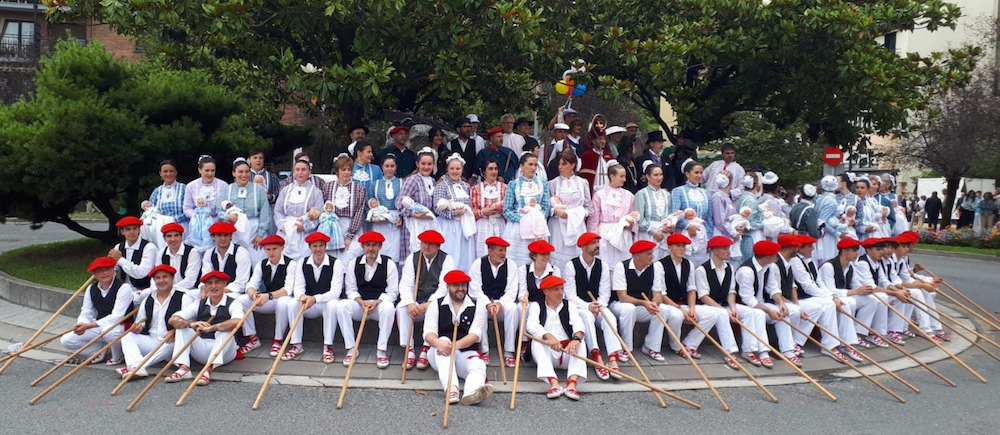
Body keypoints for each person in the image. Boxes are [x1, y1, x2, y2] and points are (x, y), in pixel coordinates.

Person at [658, 233, 737, 361]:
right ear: (669, 247)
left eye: (684, 246)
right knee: (677, 315)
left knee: (712, 314)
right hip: (669, 304)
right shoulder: (660, 265)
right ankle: (677, 346)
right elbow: (661, 294)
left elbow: (691, 289)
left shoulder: (688, 264)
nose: (682, 249)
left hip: (685, 304)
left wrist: (692, 308)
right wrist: (679, 308)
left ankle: (690, 344)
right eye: (678, 246)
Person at [695, 236, 770, 367]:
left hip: (724, 304)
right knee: (723, 314)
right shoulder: (702, 270)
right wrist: (724, 309)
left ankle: (749, 349)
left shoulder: (729, 267)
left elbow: (731, 291)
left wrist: (733, 307)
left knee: (751, 312)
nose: (728, 251)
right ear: (715, 251)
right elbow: (703, 296)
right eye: (724, 249)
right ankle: (730, 352)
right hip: (708, 306)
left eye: (728, 248)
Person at [424, 270, 495, 405]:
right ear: (448, 287)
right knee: (444, 342)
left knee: (478, 365)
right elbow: (429, 333)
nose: (461, 288)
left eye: (463, 285)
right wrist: (439, 343)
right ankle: (451, 389)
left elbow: (475, 335)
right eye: (456, 285)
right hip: (438, 354)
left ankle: (471, 393)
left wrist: (454, 346)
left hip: (465, 352)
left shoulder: (478, 305)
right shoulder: (435, 304)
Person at [164, 271, 244, 385]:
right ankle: (183, 369)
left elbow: (237, 322)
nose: (213, 286)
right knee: (182, 328)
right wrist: (191, 324)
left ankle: (208, 370)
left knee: (224, 331)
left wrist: (213, 328)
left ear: (224, 284)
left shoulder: (234, 303)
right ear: (205, 287)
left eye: (217, 282)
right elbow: (173, 319)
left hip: (225, 353)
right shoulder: (198, 303)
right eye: (209, 283)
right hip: (202, 349)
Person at [562, 233, 621, 379]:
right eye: (593, 243)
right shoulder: (571, 265)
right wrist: (587, 306)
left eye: (597, 242)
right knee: (587, 317)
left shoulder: (603, 266)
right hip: (578, 307)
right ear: (583, 247)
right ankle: (596, 355)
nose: (597, 246)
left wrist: (598, 306)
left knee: (609, 318)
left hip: (598, 305)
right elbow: (570, 295)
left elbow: (605, 293)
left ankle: (612, 357)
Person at [776, 235, 844, 362]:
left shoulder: (802, 260)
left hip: (796, 300)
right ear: (794, 248)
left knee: (828, 304)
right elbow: (805, 286)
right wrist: (795, 305)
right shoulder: (789, 261)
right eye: (809, 246)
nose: (812, 249)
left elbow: (798, 285)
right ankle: (795, 343)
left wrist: (831, 296)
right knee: (817, 307)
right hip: (790, 299)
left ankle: (830, 345)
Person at [118, 265, 193, 379]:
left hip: (171, 343)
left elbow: (190, 323)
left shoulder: (183, 297)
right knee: (127, 336)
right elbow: (140, 323)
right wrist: (137, 328)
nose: (161, 280)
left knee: (173, 340)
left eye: (165, 277)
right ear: (154, 280)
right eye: (157, 278)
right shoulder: (148, 299)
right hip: (151, 340)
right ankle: (136, 367)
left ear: (172, 278)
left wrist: (175, 332)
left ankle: (135, 368)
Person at [337, 232, 399, 368]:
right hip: (360, 305)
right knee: (341, 306)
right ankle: (351, 349)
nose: (371, 248)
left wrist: (376, 302)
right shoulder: (354, 263)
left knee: (389, 308)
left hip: (379, 306)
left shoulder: (389, 264)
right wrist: (361, 302)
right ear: (362, 247)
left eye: (374, 245)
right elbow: (350, 289)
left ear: (380, 246)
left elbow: (393, 291)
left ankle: (381, 350)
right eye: (368, 245)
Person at [736, 240, 803, 366]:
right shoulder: (746, 271)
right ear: (767, 257)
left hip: (760, 303)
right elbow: (747, 299)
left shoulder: (770, 266)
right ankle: (763, 352)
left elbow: (773, 288)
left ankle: (787, 349)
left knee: (784, 312)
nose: (777, 256)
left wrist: (781, 303)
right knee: (759, 314)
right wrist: (768, 310)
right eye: (775, 254)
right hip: (744, 305)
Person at [610, 240, 678, 362]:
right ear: (637, 255)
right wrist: (644, 303)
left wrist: (654, 303)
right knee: (629, 309)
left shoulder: (654, 267)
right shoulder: (622, 266)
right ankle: (625, 348)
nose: (652, 256)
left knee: (663, 309)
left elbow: (658, 295)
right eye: (648, 254)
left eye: (652, 253)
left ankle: (651, 347)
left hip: (641, 306)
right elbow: (622, 297)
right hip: (619, 305)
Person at [282, 232, 345, 363]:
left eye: (321, 246)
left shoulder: (336, 263)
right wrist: (302, 296)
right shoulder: (302, 262)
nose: (318, 249)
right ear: (310, 247)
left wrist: (316, 299)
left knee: (333, 304)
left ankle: (328, 346)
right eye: (314, 246)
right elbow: (298, 287)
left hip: (325, 302)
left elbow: (336, 291)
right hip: (308, 303)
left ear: (325, 246)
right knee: (293, 303)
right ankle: (296, 344)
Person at [397, 230, 454, 370]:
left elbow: (444, 286)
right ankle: (409, 349)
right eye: (424, 243)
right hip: (416, 300)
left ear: (438, 246)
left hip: (434, 300)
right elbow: (406, 284)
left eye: (430, 244)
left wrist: (430, 303)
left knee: (436, 308)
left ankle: (426, 348)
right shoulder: (413, 258)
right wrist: (410, 303)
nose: (426, 247)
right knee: (401, 308)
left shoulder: (446, 259)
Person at [60, 257, 134, 365]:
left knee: (109, 332)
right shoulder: (91, 289)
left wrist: (90, 326)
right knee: (66, 340)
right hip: (100, 325)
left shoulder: (124, 287)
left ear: (113, 270)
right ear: (94, 274)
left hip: (121, 326)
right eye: (100, 271)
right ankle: (97, 352)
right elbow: (86, 312)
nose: (105, 273)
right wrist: (82, 324)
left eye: (108, 269)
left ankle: (117, 356)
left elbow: (117, 316)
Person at [817, 237, 887, 350]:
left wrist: (864, 289)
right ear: (844, 251)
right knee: (849, 302)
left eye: (857, 250)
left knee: (872, 300)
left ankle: (857, 333)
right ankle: (845, 341)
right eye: (854, 250)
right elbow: (830, 291)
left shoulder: (851, 266)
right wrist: (856, 291)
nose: (857, 253)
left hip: (844, 296)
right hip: (830, 298)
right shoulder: (828, 266)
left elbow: (856, 285)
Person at [526, 275, 588, 400]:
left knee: (580, 342)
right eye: (556, 289)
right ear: (546, 292)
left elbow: (578, 323)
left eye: (561, 289)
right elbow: (531, 325)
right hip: (548, 352)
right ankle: (554, 384)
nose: (560, 293)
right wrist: (548, 336)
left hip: (568, 352)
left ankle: (572, 385)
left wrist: (576, 339)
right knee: (537, 341)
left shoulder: (569, 305)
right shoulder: (536, 305)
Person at [236, 235, 295, 357]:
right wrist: (253, 294)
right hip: (268, 300)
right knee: (241, 300)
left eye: (274, 249)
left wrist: (268, 295)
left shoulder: (291, 264)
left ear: (282, 248)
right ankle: (253, 338)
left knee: (283, 302)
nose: (271, 252)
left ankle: (278, 340)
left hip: (283, 299)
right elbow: (251, 284)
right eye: (268, 249)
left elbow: (288, 289)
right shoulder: (261, 264)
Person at [468, 237, 520, 367]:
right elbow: (475, 289)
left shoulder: (511, 265)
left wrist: (500, 303)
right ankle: (484, 350)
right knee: (480, 306)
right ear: (490, 251)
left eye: (505, 250)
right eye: (500, 250)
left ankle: (509, 351)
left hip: (501, 303)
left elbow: (512, 290)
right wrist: (487, 303)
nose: (504, 253)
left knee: (513, 308)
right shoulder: (478, 264)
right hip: (485, 303)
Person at [853, 238, 906, 346]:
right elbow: (872, 287)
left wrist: (898, 291)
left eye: (882, 249)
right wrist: (896, 293)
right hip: (861, 293)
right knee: (882, 297)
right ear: (868, 251)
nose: (881, 252)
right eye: (878, 249)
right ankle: (875, 333)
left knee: (898, 297)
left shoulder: (877, 262)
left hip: (871, 292)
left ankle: (892, 330)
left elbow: (884, 280)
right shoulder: (862, 263)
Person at [219, 157, 272, 263]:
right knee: (236, 260)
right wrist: (227, 217)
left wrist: (260, 234)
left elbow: (265, 212)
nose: (244, 175)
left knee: (256, 260)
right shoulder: (227, 190)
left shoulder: (258, 189)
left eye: (247, 172)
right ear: (234, 173)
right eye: (240, 172)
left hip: (254, 229)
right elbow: (219, 209)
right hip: (234, 229)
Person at [502, 153, 550, 267]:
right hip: (518, 228)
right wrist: (524, 219)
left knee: (536, 260)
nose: (533, 168)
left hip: (537, 229)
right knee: (517, 263)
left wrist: (537, 218)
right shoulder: (513, 184)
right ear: (522, 166)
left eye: (535, 165)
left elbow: (546, 207)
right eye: (530, 164)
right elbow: (507, 210)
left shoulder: (543, 183)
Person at [547, 152, 592, 270]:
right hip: (558, 226)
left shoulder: (582, 183)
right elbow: (547, 206)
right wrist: (555, 210)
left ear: (572, 165)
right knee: (558, 258)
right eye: (559, 164)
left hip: (576, 225)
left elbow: (589, 207)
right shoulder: (552, 183)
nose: (560, 167)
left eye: (564, 164)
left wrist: (579, 213)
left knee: (577, 259)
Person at [273, 159, 324, 259]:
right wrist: (283, 226)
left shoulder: (316, 192)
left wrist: (305, 227)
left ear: (309, 172)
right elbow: (278, 210)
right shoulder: (286, 190)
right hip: (285, 231)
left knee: (303, 259)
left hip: (305, 232)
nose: (300, 173)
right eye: (297, 170)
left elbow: (319, 214)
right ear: (293, 172)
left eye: (303, 170)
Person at [588, 163, 637, 267]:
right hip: (605, 233)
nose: (624, 179)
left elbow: (633, 216)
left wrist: (631, 224)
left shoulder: (629, 195)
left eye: (625, 176)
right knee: (605, 264)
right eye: (621, 176)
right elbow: (593, 219)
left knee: (623, 265)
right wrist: (593, 239)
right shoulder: (599, 195)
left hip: (623, 234)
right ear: (612, 176)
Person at [434, 154, 477, 271]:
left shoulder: (466, 186)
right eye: (452, 168)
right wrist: (453, 213)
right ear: (447, 169)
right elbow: (437, 208)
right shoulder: (441, 186)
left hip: (464, 226)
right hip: (448, 226)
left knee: (464, 255)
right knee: (451, 252)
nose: (455, 171)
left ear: (462, 170)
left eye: (458, 168)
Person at [323, 154, 367, 260]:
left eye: (349, 169)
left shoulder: (359, 189)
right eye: (343, 169)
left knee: (350, 256)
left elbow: (359, 213)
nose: (346, 172)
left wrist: (350, 236)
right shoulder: (327, 187)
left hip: (351, 227)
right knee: (332, 259)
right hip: (332, 227)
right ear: (337, 171)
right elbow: (323, 209)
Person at [398, 148, 439, 256]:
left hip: (428, 225)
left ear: (433, 165)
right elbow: (399, 202)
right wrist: (414, 214)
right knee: (414, 256)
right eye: (423, 164)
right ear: (417, 164)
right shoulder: (413, 180)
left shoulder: (433, 181)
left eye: (429, 164)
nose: (426, 167)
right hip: (414, 224)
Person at [671, 161, 714, 264]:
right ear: (687, 174)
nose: (699, 176)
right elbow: (675, 214)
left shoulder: (705, 193)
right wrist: (688, 226)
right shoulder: (678, 191)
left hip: (702, 234)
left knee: (702, 265)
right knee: (685, 264)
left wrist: (709, 239)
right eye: (696, 172)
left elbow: (708, 218)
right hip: (684, 233)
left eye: (701, 173)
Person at [368, 154, 405, 265]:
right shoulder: (375, 184)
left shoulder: (402, 183)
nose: (389, 169)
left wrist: (401, 217)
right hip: (379, 222)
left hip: (395, 222)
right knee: (380, 249)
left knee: (394, 252)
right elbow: (368, 202)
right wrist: (374, 214)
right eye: (387, 166)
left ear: (396, 167)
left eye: (392, 166)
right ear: (382, 167)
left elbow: (406, 202)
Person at [109, 216, 156, 296]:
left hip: (145, 290)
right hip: (125, 289)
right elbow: (113, 270)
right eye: (128, 229)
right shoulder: (118, 247)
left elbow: (142, 273)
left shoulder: (149, 247)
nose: (132, 232)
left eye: (135, 228)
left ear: (139, 230)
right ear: (122, 232)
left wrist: (120, 259)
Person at [635, 163, 673, 260]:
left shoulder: (667, 194)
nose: (659, 178)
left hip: (664, 233)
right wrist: (653, 232)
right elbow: (639, 218)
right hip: (648, 233)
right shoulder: (641, 194)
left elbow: (670, 214)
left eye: (661, 174)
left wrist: (669, 226)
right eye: (656, 175)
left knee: (664, 262)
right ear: (648, 176)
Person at [470, 159, 508, 258]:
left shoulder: (505, 188)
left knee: (500, 251)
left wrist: (500, 209)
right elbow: (472, 211)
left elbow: (509, 207)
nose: (494, 171)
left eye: (495, 169)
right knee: (483, 253)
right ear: (484, 172)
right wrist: (483, 212)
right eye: (490, 169)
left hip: (499, 224)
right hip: (483, 225)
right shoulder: (475, 189)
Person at [200, 222, 251, 294]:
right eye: (219, 235)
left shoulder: (241, 253)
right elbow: (205, 277)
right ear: (213, 237)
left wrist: (219, 293)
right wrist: (203, 290)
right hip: (213, 291)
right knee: (189, 295)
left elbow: (241, 283)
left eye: (226, 235)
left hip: (235, 293)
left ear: (231, 236)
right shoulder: (209, 253)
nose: (223, 238)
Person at [156, 223, 202, 294]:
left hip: (189, 290)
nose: (173, 239)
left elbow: (190, 281)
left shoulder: (192, 252)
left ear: (181, 237)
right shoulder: (162, 253)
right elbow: (156, 275)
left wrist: (169, 289)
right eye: (169, 236)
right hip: (166, 289)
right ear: (164, 239)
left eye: (176, 235)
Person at [183, 155, 229, 223]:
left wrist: (213, 221)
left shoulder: (223, 185)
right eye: (207, 170)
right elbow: (187, 208)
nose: (210, 173)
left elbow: (226, 207)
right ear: (199, 170)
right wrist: (198, 216)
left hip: (219, 223)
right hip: (198, 223)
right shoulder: (190, 186)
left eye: (212, 170)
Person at [518, 240, 562, 305]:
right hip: (529, 304)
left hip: (548, 305)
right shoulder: (523, 269)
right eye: (543, 254)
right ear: (534, 256)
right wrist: (523, 299)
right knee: (519, 306)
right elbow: (523, 290)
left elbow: (556, 291)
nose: (546, 257)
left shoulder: (555, 270)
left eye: (548, 254)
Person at [148, 160, 188, 229]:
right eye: (165, 171)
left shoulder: (185, 188)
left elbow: (190, 209)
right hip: (162, 227)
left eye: (171, 171)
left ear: (176, 173)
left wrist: (172, 220)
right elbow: (151, 211)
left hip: (182, 226)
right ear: (160, 173)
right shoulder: (157, 191)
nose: (168, 174)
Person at [736, 174, 764, 263]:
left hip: (744, 236)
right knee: (749, 262)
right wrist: (763, 224)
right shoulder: (751, 201)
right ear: (757, 184)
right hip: (750, 237)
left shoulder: (742, 197)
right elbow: (748, 222)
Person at [449, 117, 479, 183]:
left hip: (472, 181)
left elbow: (477, 162)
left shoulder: (475, 144)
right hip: (455, 180)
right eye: (465, 127)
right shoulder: (450, 144)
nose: (468, 129)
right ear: (458, 129)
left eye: (469, 126)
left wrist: (473, 177)